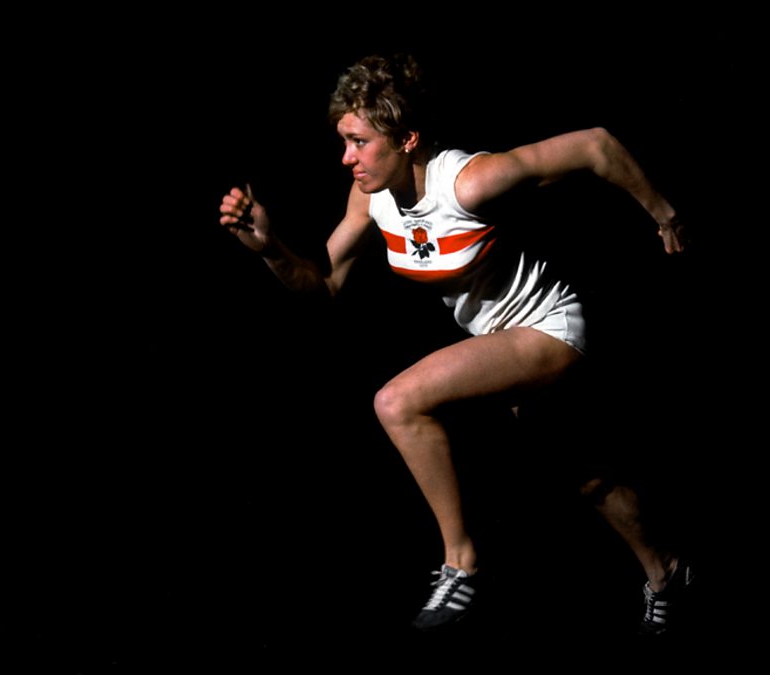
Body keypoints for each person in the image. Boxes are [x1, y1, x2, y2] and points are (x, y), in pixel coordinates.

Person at [217, 53, 691, 635]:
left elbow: (595, 144)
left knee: (398, 402)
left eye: (360, 142)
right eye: (344, 142)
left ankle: (460, 563)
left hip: (550, 327)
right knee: (589, 478)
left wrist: (664, 215)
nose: (346, 158)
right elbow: (325, 284)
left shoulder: (467, 181)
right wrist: (270, 250)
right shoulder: (371, 198)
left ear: (407, 139)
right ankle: (667, 572)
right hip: (498, 339)